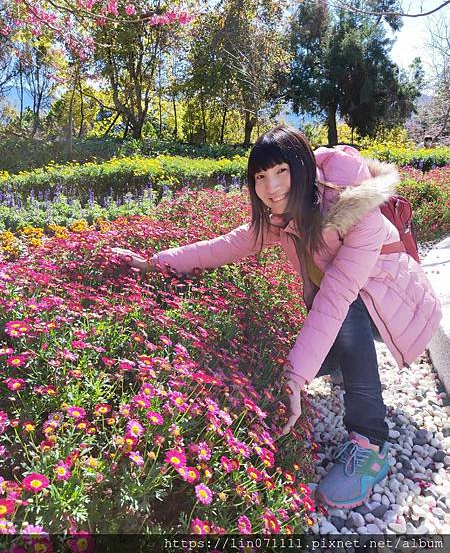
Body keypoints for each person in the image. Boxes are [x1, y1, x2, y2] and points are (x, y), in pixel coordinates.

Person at [112, 125, 442, 509]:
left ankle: (370, 442)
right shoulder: (284, 216)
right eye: (260, 177)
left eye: (281, 171)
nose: (271, 187)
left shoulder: (357, 212)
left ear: (302, 168)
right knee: (331, 321)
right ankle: (342, 368)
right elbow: (224, 246)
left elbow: (335, 300)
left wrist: (294, 380)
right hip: (351, 302)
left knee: (344, 310)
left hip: (396, 304)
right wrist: (154, 263)